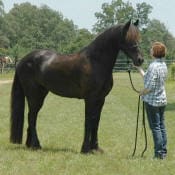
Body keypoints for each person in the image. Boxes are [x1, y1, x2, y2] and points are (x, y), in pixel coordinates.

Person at [134, 41, 168, 159]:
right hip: (162, 100)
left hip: (152, 101)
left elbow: (150, 87)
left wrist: (141, 92)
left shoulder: (153, 66)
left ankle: (158, 154)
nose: (150, 50)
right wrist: (138, 68)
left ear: (155, 52)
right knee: (161, 126)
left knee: (155, 127)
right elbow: (147, 77)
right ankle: (163, 151)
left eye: (152, 49)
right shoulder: (163, 64)